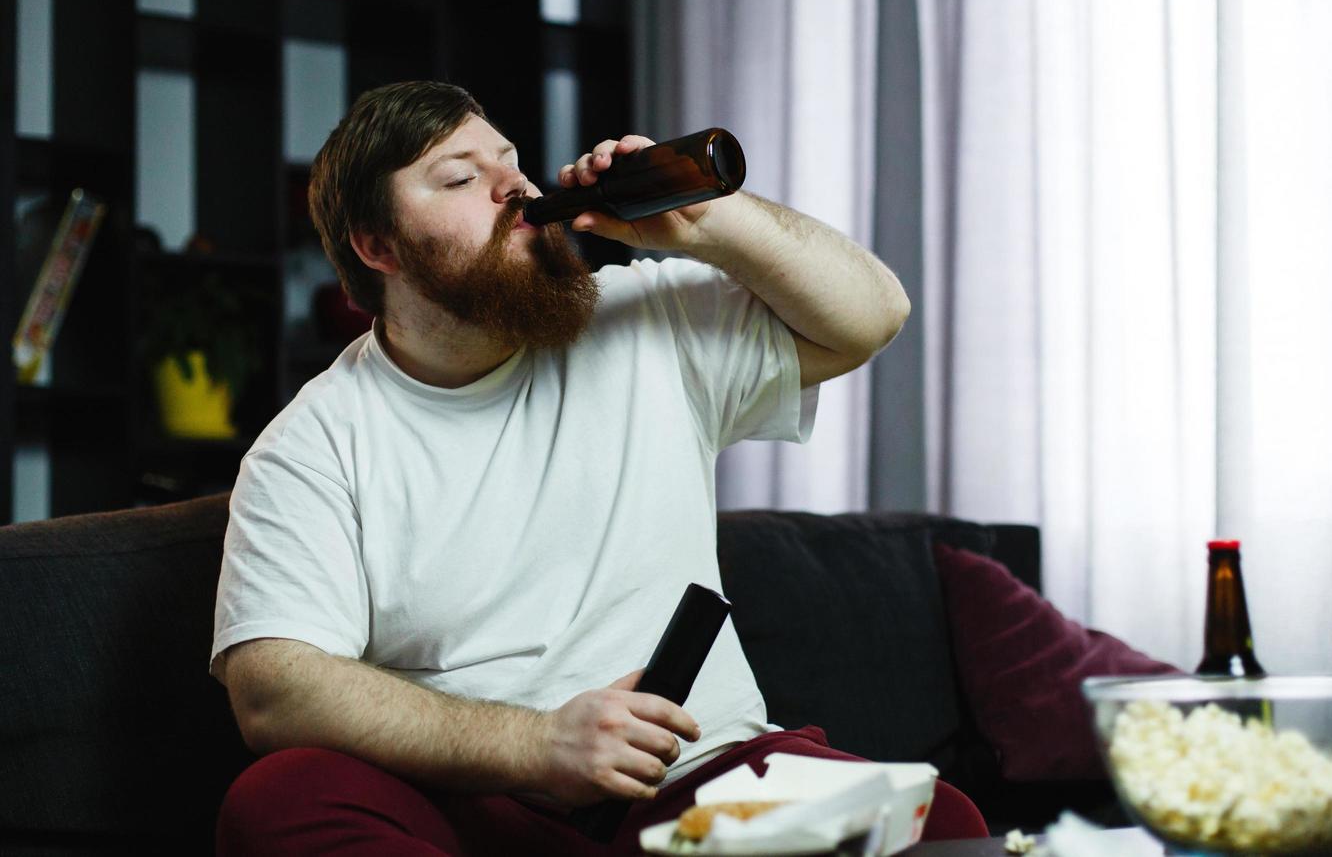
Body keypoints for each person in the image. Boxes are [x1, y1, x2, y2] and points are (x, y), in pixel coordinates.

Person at [211, 80, 987, 854]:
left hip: (703, 786)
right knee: (278, 799)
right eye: (459, 178)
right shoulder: (312, 447)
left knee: (938, 824)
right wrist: (538, 745)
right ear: (378, 248)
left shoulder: (645, 320)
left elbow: (873, 314)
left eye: (510, 163)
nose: (513, 187)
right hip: (484, 807)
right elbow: (274, 690)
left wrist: (711, 224)